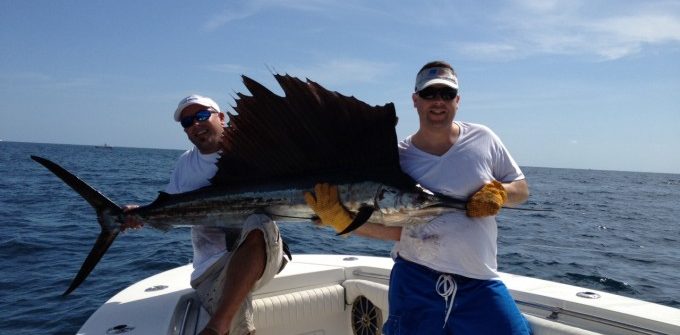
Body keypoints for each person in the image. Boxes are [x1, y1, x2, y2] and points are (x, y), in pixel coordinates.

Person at [304, 61, 532, 334]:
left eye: (446, 94)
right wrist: (342, 221)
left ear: (457, 100)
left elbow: (522, 189)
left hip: (479, 280)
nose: (438, 101)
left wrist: (501, 192)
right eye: (429, 94)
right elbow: (397, 232)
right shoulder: (398, 160)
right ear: (416, 100)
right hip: (415, 277)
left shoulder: (484, 138)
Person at [124, 95, 286, 335]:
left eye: (201, 115)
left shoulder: (253, 155)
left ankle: (217, 327)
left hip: (262, 253)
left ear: (221, 117)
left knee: (259, 222)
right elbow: (167, 208)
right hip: (210, 268)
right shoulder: (185, 164)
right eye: (187, 122)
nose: (195, 124)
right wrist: (140, 213)